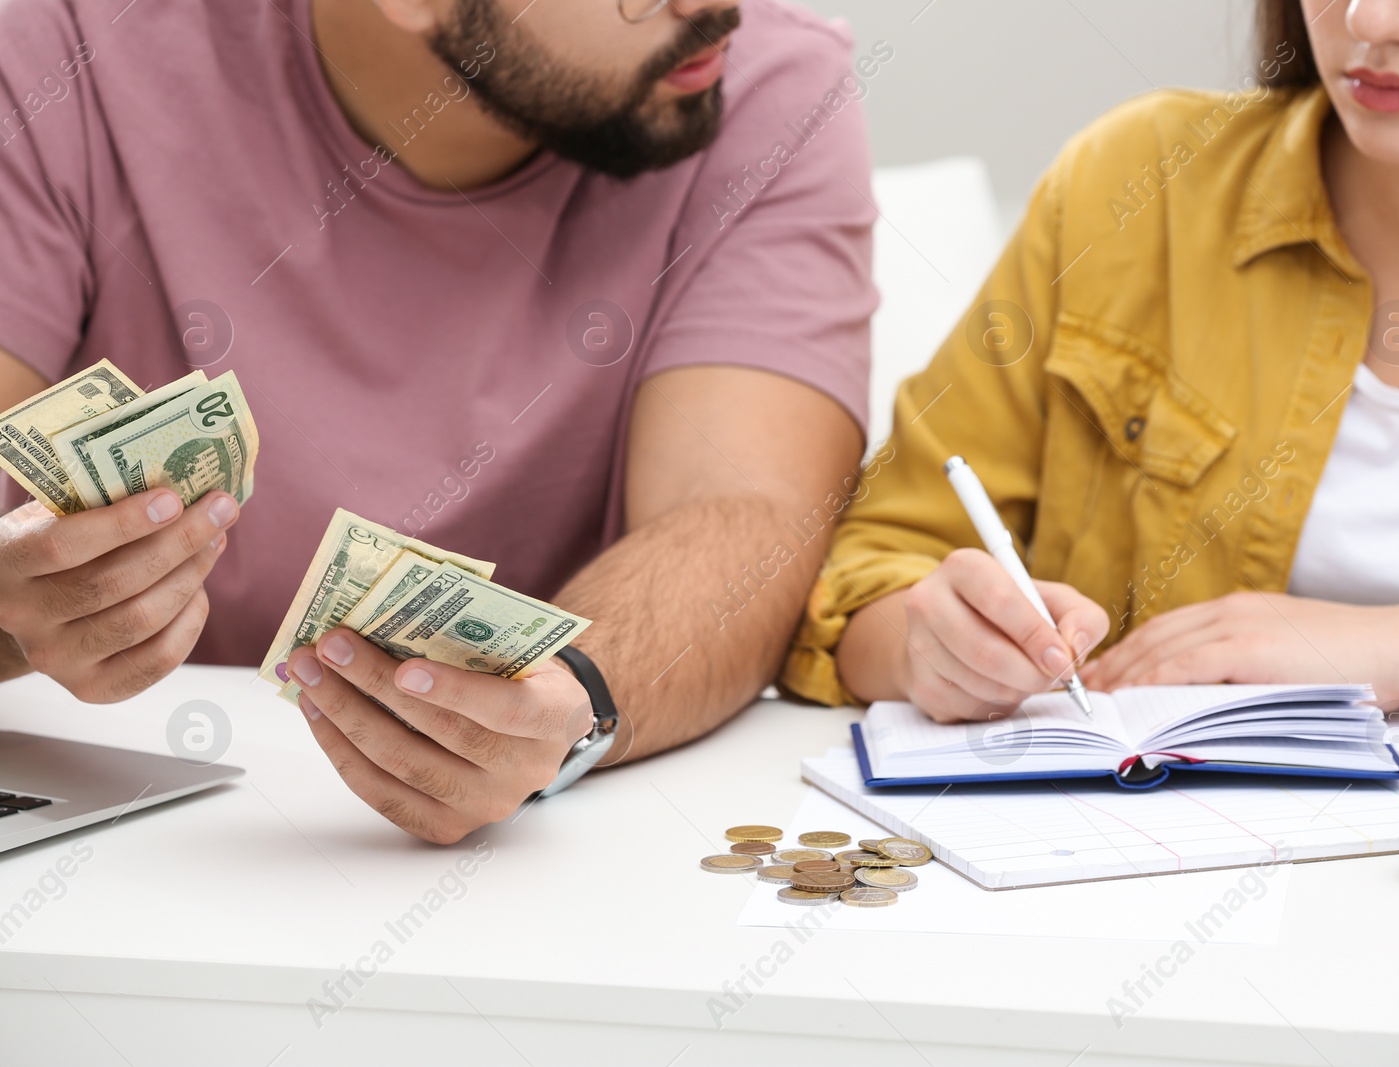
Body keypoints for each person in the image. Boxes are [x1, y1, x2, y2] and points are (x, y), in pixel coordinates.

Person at [0, 0, 879, 842]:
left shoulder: (760, 83)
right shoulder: (55, 49)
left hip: (543, 859)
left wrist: (564, 703)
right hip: (138, 844)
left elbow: (746, 509)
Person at [783, 0, 1399, 740]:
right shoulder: (1131, 186)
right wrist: (930, 647)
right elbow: (865, 582)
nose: (1373, 20)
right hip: (1153, 870)